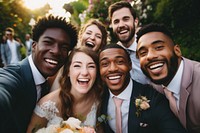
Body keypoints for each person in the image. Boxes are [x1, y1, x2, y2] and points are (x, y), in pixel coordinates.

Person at [0, 15, 78, 133]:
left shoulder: (48, 83)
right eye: (48, 42)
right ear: (34, 46)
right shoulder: (13, 76)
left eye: (64, 47)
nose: (56, 51)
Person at [99, 44, 187, 133]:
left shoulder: (153, 98)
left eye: (120, 62)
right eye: (105, 64)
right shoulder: (99, 98)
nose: (113, 69)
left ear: (130, 65)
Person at [136, 23, 200, 133]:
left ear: (177, 51)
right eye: (143, 53)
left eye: (159, 47)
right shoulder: (155, 88)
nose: (150, 56)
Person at [27, 47, 103, 133]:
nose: (85, 72)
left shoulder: (100, 100)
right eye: (77, 66)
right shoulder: (47, 105)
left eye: (91, 66)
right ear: (68, 72)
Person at [49, 19, 107, 91]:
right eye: (88, 33)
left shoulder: (102, 65)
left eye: (98, 36)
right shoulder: (65, 57)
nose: (92, 38)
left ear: (102, 43)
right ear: (81, 36)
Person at [108, 1, 149, 84]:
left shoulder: (149, 46)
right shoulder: (112, 54)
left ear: (135, 22)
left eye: (126, 19)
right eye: (116, 22)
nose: (121, 25)